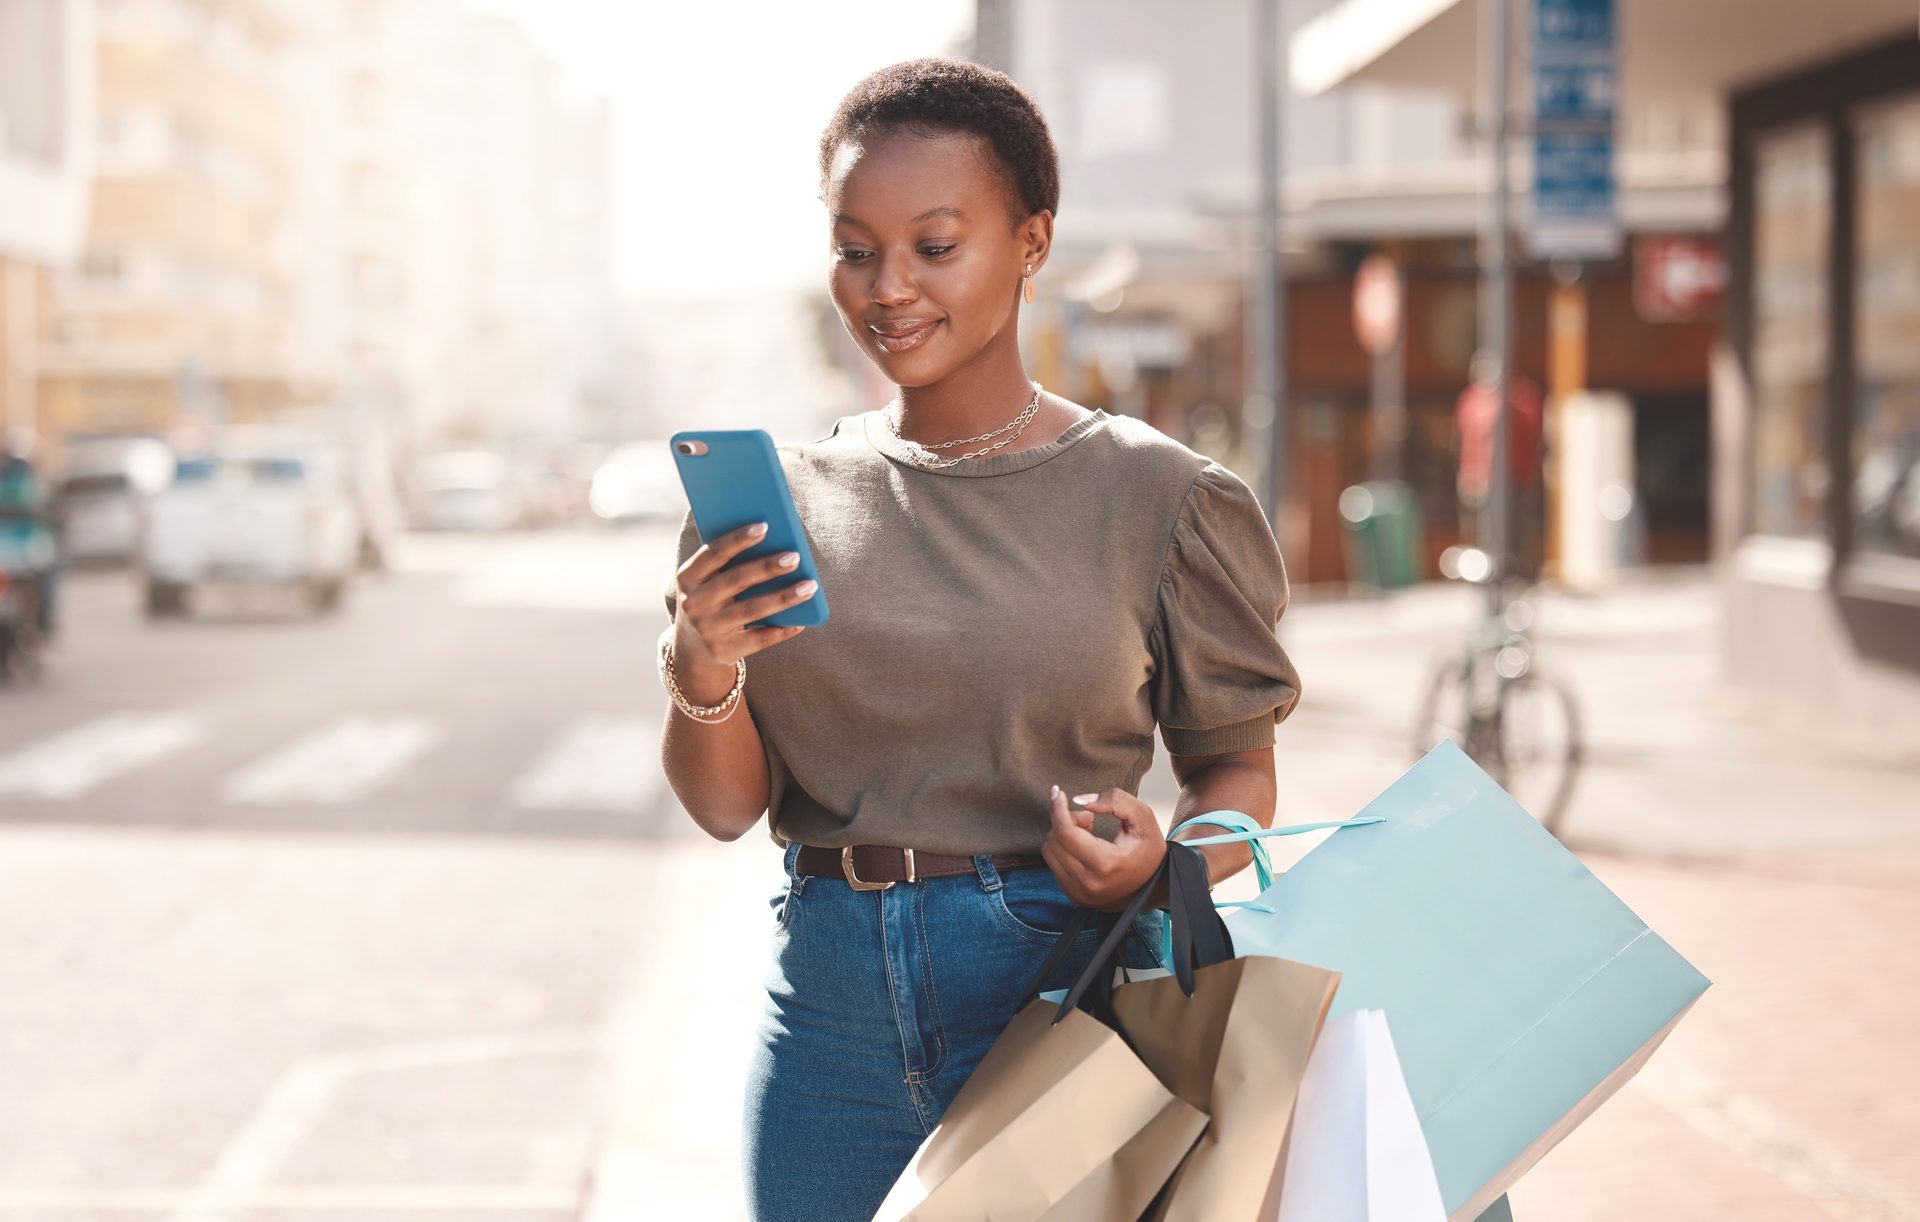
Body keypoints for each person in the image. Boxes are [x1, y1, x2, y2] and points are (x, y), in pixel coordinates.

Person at [658, 58, 1303, 1221]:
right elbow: (724, 807)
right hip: (827, 1032)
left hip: (1058, 999)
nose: (889, 286)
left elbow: (1237, 772)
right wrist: (702, 673)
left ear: (1031, 241)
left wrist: (1164, 862)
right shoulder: (777, 505)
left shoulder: (1159, 496)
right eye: (856, 249)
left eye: (935, 245)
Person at [0, 426, 59, 638]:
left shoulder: (32, 485)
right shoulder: (31, 485)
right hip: (23, 552)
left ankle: (44, 622)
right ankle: (45, 622)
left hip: (25, 551)